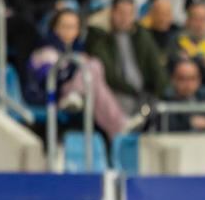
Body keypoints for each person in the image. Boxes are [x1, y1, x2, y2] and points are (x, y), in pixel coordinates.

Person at [27, 8, 130, 137]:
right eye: (64, 26)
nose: (68, 31)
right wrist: (72, 66)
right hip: (51, 96)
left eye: (73, 27)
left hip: (74, 96)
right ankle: (119, 124)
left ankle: (118, 126)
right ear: (55, 28)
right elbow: (48, 80)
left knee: (94, 69)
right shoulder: (46, 50)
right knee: (92, 66)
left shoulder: (77, 50)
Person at [86, 0, 167, 115]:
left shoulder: (142, 35)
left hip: (143, 92)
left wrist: (156, 92)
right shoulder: (99, 36)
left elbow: (156, 68)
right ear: (111, 13)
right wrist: (135, 92)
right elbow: (109, 74)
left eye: (130, 13)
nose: (125, 18)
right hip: (115, 92)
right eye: (121, 13)